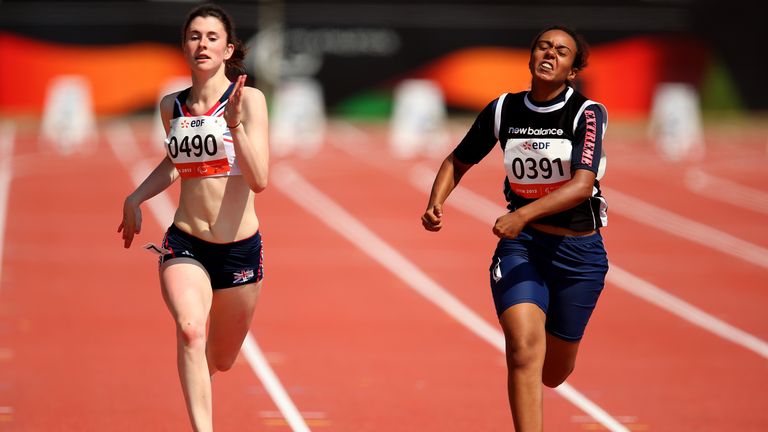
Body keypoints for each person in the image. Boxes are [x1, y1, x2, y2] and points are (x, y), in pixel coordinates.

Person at [421, 26, 609, 431]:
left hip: (580, 255)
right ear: (530, 56)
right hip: (522, 248)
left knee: (553, 372)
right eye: (543, 46)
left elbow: (581, 186)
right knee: (523, 350)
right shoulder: (503, 109)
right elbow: (457, 160)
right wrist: (436, 201)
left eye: (561, 52)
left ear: (573, 71)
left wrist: (522, 214)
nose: (550, 54)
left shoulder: (587, 113)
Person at [117, 4, 269, 431]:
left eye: (212, 37)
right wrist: (136, 197)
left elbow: (260, 180)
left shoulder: (250, 101)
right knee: (189, 330)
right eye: (195, 36)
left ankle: (201, 378)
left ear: (228, 50)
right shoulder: (172, 106)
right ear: (185, 46)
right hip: (186, 242)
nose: (202, 44)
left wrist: (235, 126)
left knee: (220, 359)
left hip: (239, 251)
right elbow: (175, 162)